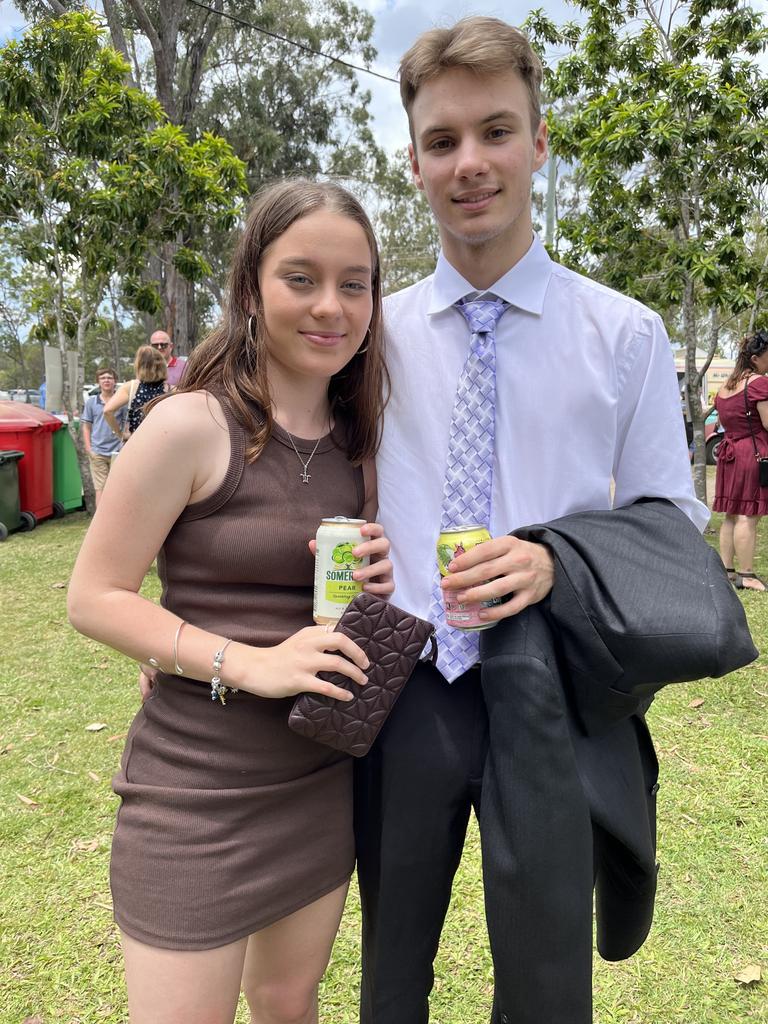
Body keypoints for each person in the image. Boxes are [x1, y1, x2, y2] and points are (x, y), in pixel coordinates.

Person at [354, 17, 710, 1024]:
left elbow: (671, 523)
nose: (470, 162)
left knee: (548, 980)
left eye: (496, 131)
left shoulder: (624, 335)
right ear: (415, 160)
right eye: (442, 140)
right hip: (411, 677)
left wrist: (558, 563)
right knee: (390, 974)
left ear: (541, 143)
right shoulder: (368, 338)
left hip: (551, 681)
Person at [67, 179, 393, 1024]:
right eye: (301, 278)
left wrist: (377, 585)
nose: (331, 306)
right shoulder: (189, 426)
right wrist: (248, 662)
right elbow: (94, 596)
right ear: (250, 288)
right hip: (196, 793)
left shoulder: (365, 444)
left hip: (316, 781)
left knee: (290, 1002)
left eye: (354, 283)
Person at [713, 328, 768, 591]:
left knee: (731, 515)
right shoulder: (759, 383)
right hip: (752, 452)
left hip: (729, 452)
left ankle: (727, 571)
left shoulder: (726, 386)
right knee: (749, 515)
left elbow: (725, 421)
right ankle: (747, 575)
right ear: (755, 358)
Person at [80, 367, 126, 507]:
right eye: (103, 378)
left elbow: (126, 426)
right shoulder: (92, 402)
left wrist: (124, 445)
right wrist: (89, 449)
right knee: (100, 488)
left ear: (115, 381)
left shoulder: (121, 401)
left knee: (117, 488)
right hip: (98, 452)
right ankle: (99, 523)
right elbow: (86, 426)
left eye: (109, 378)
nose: (106, 380)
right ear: (98, 382)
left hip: (117, 452)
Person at [103, 345, 168, 439]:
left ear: (139, 365)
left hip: (137, 442)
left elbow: (107, 411)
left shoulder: (131, 387)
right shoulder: (171, 389)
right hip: (162, 441)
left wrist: (120, 434)